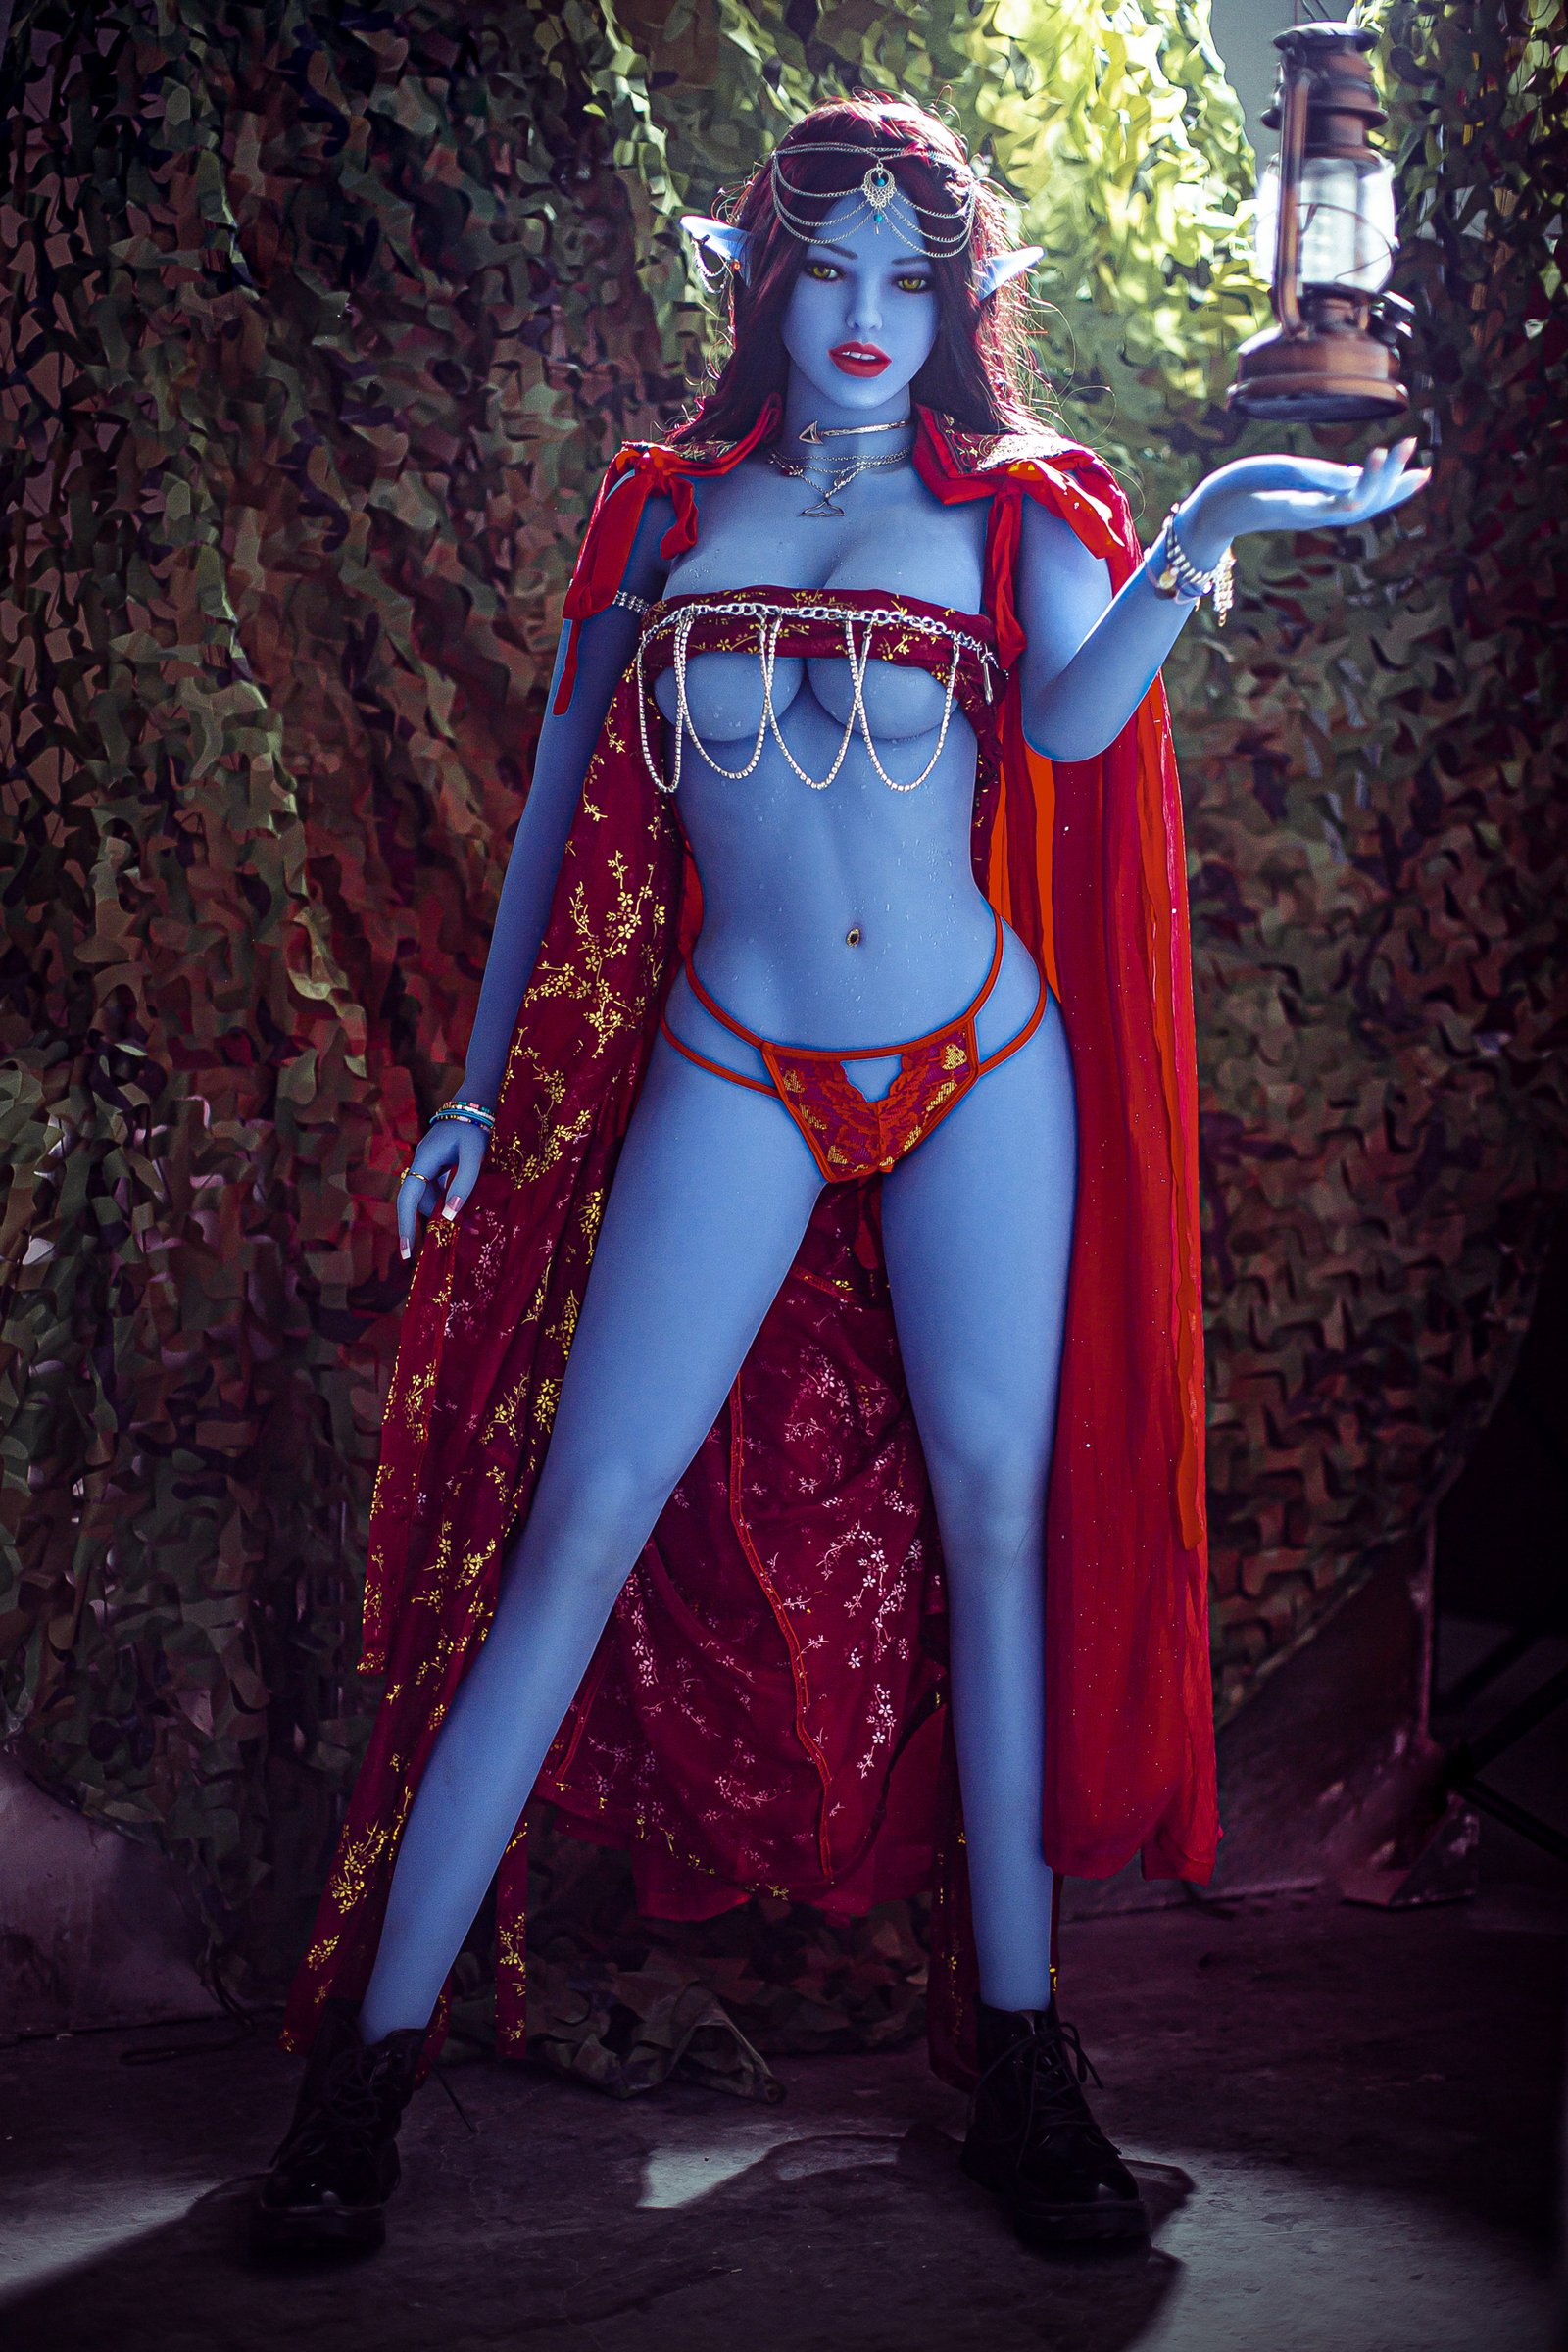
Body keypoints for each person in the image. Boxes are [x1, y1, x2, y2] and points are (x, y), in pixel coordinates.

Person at [254, 95, 1426, 2257]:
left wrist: (1214, 518)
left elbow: (1068, 733)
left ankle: (1024, 2056)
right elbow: (557, 821)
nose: (869, 315)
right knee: (580, 1524)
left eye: (911, 277)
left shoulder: (1009, 510)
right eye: (829, 271)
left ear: (959, 299)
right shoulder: (660, 514)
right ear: (763, 281)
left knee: (996, 1526)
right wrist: (481, 1097)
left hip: (980, 1060)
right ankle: (362, 2075)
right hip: (730, 1057)